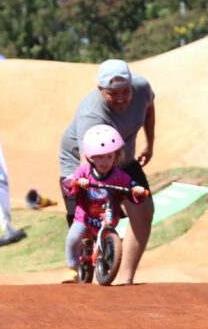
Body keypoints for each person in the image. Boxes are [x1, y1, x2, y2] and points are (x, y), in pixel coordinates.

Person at [59, 59, 156, 285]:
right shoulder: (90, 114)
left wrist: (149, 143)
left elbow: (149, 108)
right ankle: (79, 260)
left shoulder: (142, 89)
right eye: (113, 94)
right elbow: (90, 164)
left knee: (144, 210)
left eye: (125, 91)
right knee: (86, 214)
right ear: (101, 90)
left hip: (122, 157)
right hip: (84, 163)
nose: (121, 98)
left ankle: (126, 278)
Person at [60, 125, 147, 283]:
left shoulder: (119, 176)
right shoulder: (84, 171)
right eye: (100, 157)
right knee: (73, 238)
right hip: (85, 219)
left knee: (114, 239)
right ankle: (72, 269)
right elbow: (68, 185)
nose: (105, 161)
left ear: (116, 156)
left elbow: (131, 186)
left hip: (107, 219)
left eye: (109, 156)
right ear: (91, 157)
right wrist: (77, 182)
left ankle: (108, 257)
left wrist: (137, 190)